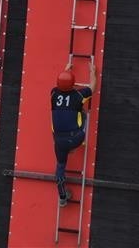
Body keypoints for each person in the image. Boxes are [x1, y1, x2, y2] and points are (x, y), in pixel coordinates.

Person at [50, 61, 96, 207]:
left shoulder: (53, 93)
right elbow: (92, 87)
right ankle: (76, 144)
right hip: (75, 138)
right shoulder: (78, 95)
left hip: (58, 140)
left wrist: (66, 70)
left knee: (60, 166)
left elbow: (60, 87)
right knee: (83, 114)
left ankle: (62, 197)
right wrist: (92, 72)